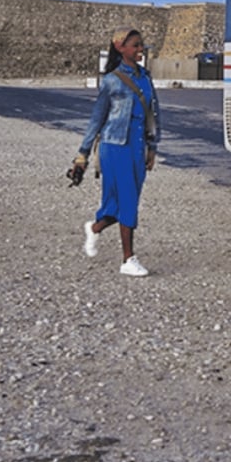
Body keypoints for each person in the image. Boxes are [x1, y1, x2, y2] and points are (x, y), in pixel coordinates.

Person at [72, 27, 160, 277]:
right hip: (115, 146)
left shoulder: (146, 77)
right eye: (135, 45)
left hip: (137, 145)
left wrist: (152, 147)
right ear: (121, 47)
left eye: (141, 44)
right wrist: (82, 155)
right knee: (128, 199)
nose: (140, 49)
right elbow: (96, 120)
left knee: (120, 202)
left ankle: (95, 228)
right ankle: (128, 259)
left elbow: (154, 114)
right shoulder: (111, 80)